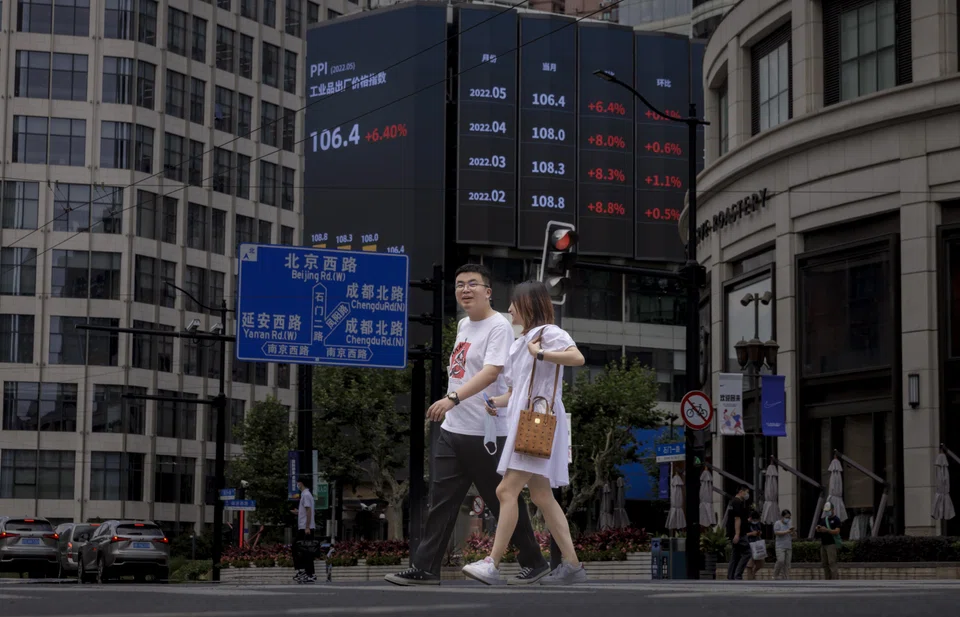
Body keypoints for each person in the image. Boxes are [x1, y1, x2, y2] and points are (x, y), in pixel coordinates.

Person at [385, 265, 550, 586]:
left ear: (488, 292)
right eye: (460, 285)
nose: (465, 289)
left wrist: (453, 398)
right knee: (440, 501)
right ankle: (426, 568)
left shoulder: (499, 326)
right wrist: (452, 409)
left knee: (503, 499)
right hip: (453, 431)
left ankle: (534, 561)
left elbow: (492, 371)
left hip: (488, 434)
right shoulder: (463, 325)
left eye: (473, 284)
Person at [461, 280, 587, 586]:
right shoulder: (521, 343)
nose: (509, 310)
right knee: (542, 495)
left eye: (514, 304)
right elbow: (517, 391)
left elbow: (577, 358)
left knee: (506, 491)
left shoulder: (548, 335)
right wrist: (497, 403)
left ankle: (492, 564)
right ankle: (571, 564)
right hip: (530, 421)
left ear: (528, 305)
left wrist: (541, 353)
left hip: (535, 423)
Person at [290, 476, 316, 584]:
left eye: (298, 483)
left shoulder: (305, 495)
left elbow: (309, 511)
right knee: (305, 550)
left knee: (300, 549)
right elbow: (306, 511)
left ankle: (305, 572)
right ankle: (307, 572)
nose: (297, 485)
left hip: (305, 528)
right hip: (305, 527)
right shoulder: (307, 495)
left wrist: (307, 527)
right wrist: (298, 512)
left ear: (301, 483)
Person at [725, 485, 751, 580]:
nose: (747, 494)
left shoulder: (732, 502)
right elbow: (737, 519)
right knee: (747, 553)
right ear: (741, 491)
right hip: (739, 533)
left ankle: (730, 576)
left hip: (733, 532)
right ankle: (738, 575)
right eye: (746, 492)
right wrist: (737, 534)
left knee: (735, 554)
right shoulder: (737, 502)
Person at [816, 501, 842, 580]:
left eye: (828, 511)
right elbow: (819, 529)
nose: (827, 512)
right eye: (826, 511)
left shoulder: (836, 519)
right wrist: (818, 529)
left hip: (831, 544)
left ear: (833, 509)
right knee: (824, 563)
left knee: (832, 562)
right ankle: (827, 579)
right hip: (823, 544)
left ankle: (834, 579)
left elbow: (837, 531)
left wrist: (827, 530)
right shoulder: (824, 519)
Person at [773, 509, 796, 580]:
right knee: (781, 560)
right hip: (780, 546)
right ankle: (775, 575)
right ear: (782, 517)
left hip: (788, 545)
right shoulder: (777, 523)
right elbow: (776, 533)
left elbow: (794, 535)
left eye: (789, 517)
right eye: (786, 517)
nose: (788, 519)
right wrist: (787, 531)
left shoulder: (790, 523)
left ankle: (786, 577)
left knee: (787, 563)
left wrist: (793, 532)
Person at [742, 510, 765, 580]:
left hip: (758, 544)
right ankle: (750, 578)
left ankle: (753, 574)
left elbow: (760, 530)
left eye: (757, 519)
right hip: (748, 544)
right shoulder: (746, 524)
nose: (756, 521)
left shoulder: (758, 524)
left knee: (760, 563)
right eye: (754, 519)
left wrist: (759, 533)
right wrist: (751, 534)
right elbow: (742, 535)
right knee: (750, 564)